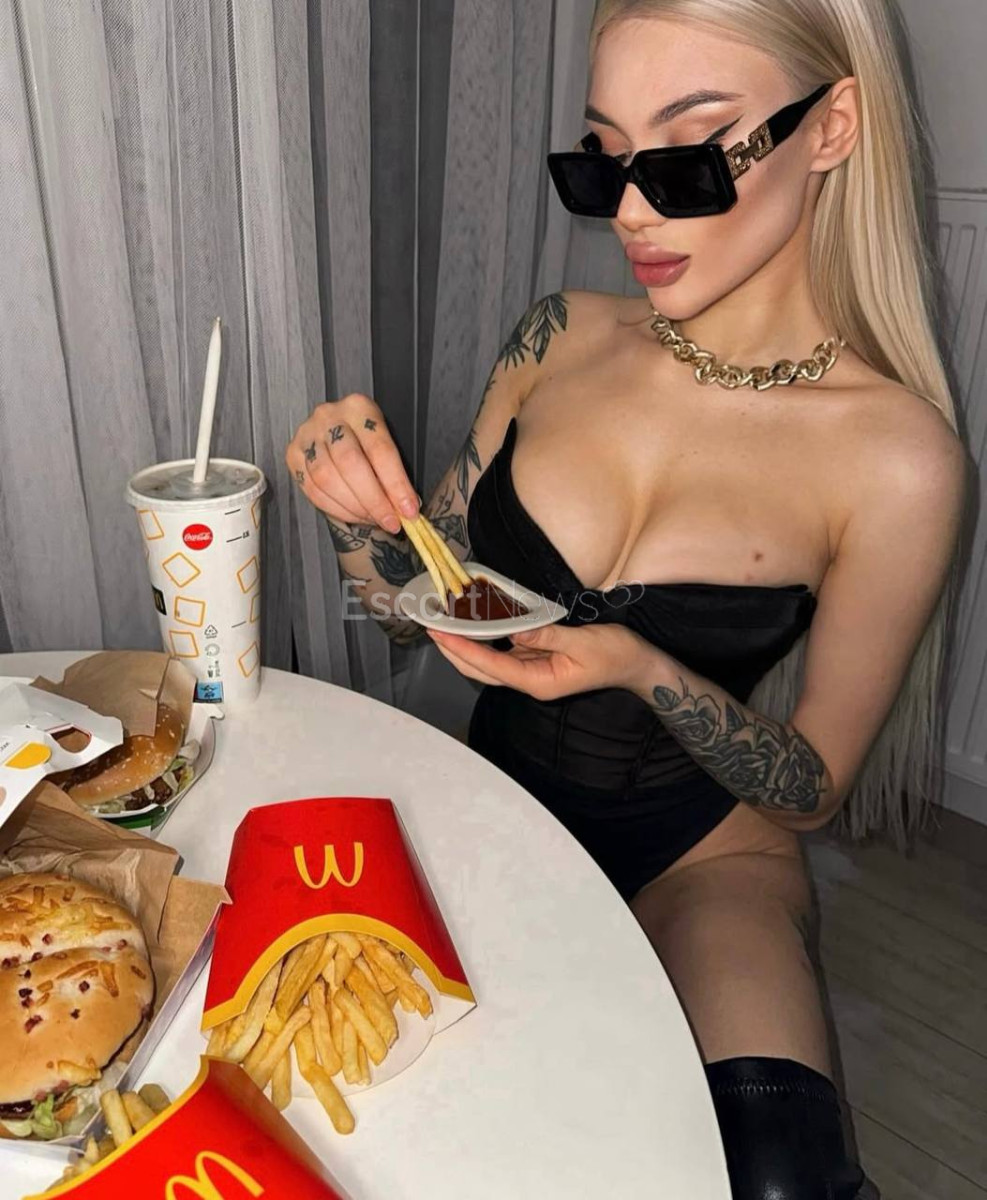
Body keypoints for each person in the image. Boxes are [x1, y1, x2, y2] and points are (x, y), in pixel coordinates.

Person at [287, 0, 969, 1194]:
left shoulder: (900, 459)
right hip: (493, 805)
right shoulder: (556, 337)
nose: (633, 215)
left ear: (831, 127)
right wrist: (357, 516)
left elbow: (814, 788)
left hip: (704, 860)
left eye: (689, 158)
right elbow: (408, 606)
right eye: (602, 160)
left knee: (776, 1174)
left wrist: (642, 667)